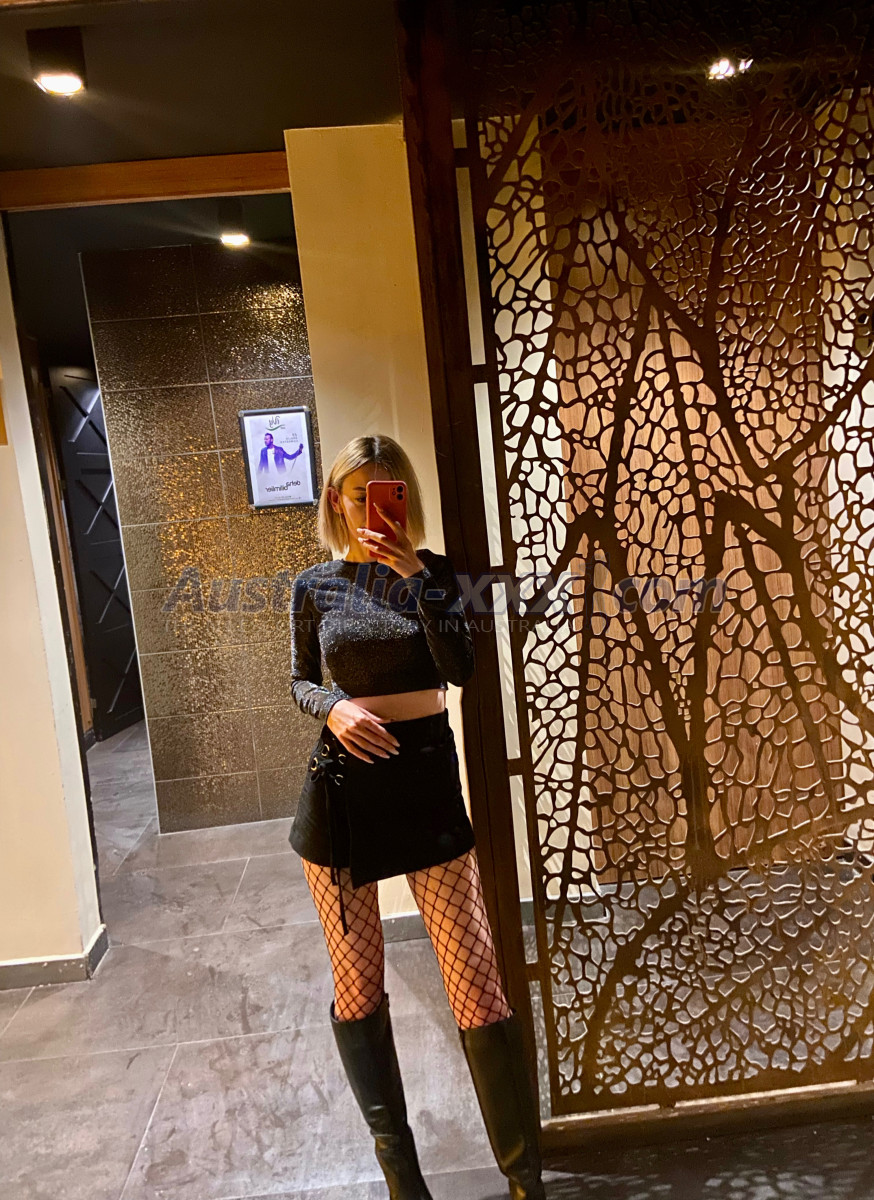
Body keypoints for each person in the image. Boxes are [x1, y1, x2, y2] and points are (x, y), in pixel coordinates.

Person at [288, 434, 546, 1200]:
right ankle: (405, 1184)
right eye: (361, 495)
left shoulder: (435, 574)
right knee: (358, 989)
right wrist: (333, 708)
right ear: (337, 501)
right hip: (341, 792)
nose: (378, 510)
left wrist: (415, 579)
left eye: (390, 494)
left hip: (427, 783)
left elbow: (460, 670)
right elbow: (300, 679)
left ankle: (525, 1182)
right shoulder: (314, 585)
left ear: (406, 498)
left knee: (477, 983)